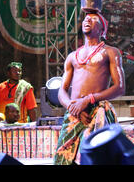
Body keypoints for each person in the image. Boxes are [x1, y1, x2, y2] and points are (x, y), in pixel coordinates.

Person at [53, 12, 125, 165]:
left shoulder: (111, 52)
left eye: (93, 19)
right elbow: (62, 91)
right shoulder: (73, 56)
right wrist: (73, 107)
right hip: (75, 112)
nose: (87, 20)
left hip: (97, 110)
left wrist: (88, 100)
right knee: (62, 159)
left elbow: (119, 87)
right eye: (86, 18)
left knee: (92, 158)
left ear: (102, 30)